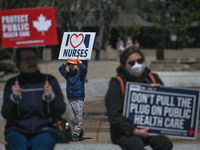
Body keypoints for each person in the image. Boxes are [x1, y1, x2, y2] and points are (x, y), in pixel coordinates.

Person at [105, 47, 173, 150]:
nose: (137, 65)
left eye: (140, 61)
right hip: (125, 132)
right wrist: (134, 130)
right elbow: (114, 115)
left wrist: (160, 92)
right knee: (135, 146)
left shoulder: (153, 78)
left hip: (150, 129)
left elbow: (166, 107)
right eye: (131, 63)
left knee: (164, 144)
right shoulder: (117, 84)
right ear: (123, 66)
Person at [1, 47, 66, 150]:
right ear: (18, 63)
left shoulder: (50, 81)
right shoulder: (12, 84)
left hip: (44, 130)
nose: (31, 62)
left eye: (33, 58)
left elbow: (61, 109)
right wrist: (13, 98)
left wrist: (51, 97)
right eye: (26, 59)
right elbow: (5, 113)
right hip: (16, 131)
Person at [58, 58, 87, 141]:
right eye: (70, 65)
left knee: (78, 118)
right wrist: (66, 63)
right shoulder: (68, 75)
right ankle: (80, 131)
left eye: (73, 65)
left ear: (78, 67)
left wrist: (79, 61)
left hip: (78, 100)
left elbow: (84, 68)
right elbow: (60, 69)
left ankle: (77, 133)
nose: (71, 67)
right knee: (71, 118)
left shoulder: (81, 75)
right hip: (70, 100)